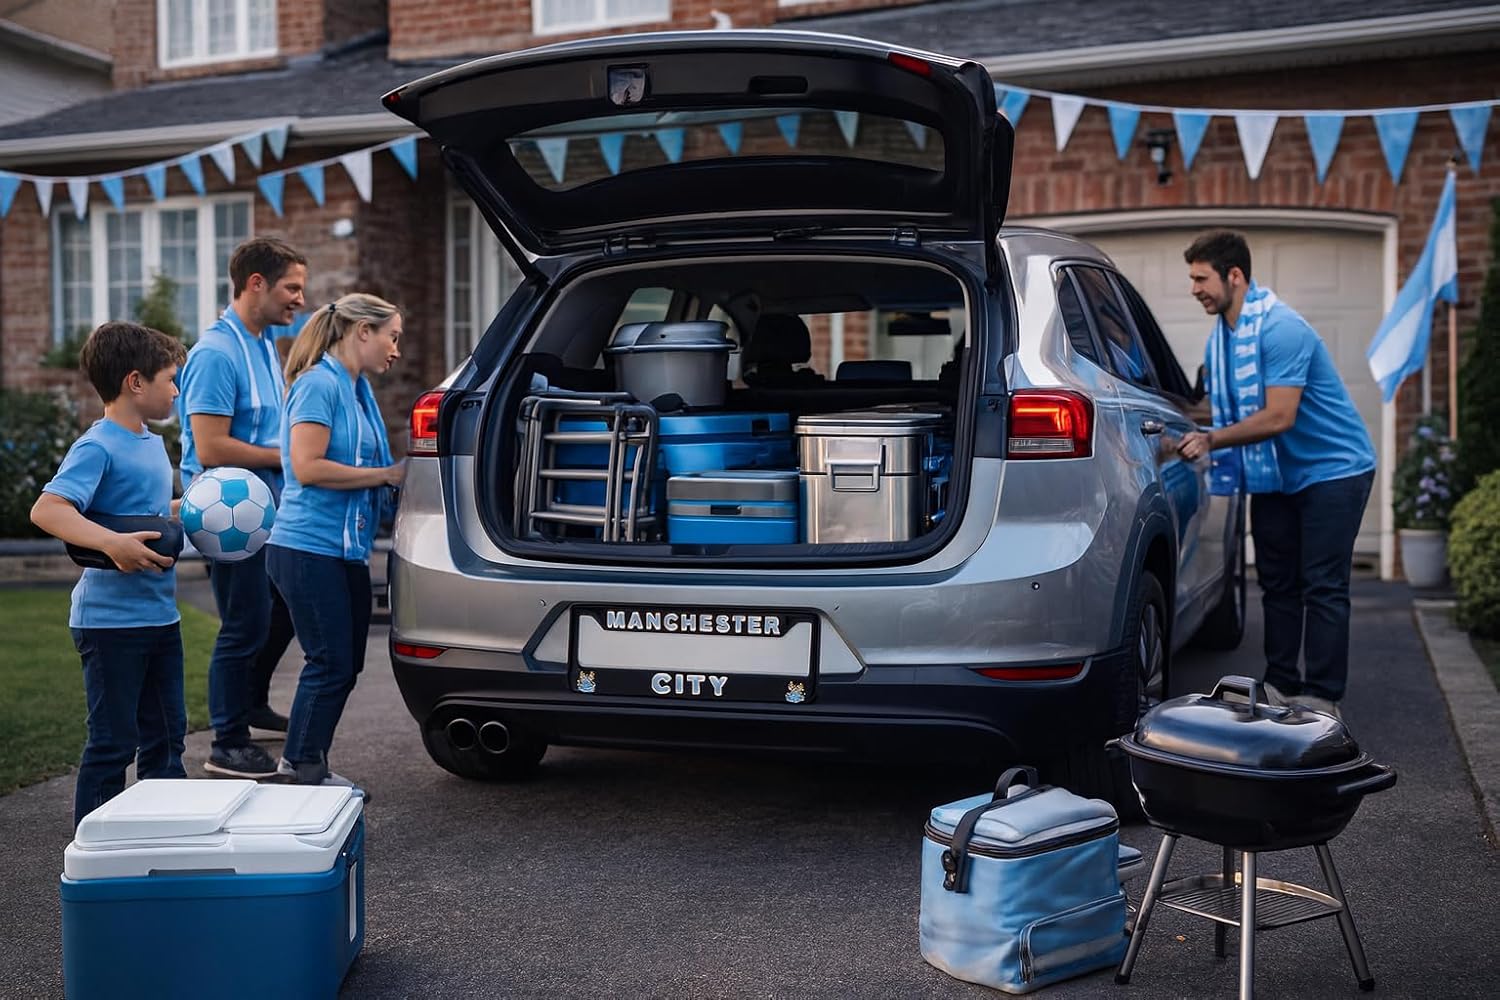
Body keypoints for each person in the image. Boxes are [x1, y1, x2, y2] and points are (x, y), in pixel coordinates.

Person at [1178, 230, 1376, 720]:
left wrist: (1212, 439)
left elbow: (1277, 417)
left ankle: (1323, 695)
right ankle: (1283, 685)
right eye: (1191, 278)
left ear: (1235, 276)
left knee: (1322, 585)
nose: (1194, 288)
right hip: (1277, 476)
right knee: (1277, 582)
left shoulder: (1281, 329)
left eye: (1201, 278)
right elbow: (1224, 408)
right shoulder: (1222, 338)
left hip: (1334, 470)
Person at [30, 322, 188, 826]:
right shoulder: (97, 445)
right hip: (110, 624)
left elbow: (142, 510)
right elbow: (48, 509)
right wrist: (110, 543)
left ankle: (165, 840)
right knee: (114, 742)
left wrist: (193, 512)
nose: (176, 390)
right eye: (170, 378)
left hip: (160, 617)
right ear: (135, 382)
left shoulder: (151, 443)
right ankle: (94, 858)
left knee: (166, 740)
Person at [178, 237, 307, 778]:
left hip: (265, 509)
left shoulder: (262, 341)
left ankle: (250, 703)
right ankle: (227, 743)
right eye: (291, 287)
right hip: (226, 516)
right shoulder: (214, 353)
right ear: (256, 283)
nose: (300, 299)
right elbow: (209, 447)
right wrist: (290, 454)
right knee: (244, 624)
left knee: (282, 612)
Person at [266, 293, 404, 788]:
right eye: (392, 336)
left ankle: (307, 760)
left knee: (346, 664)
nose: (396, 350)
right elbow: (306, 467)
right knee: (329, 661)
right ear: (362, 331)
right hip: (306, 547)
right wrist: (386, 474)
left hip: (344, 549)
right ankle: (301, 767)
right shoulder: (318, 386)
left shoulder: (356, 389)